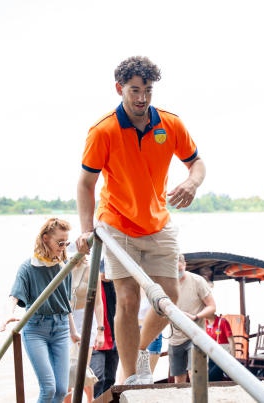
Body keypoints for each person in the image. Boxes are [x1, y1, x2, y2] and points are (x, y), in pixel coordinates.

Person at [75, 55, 206, 385]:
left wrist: (191, 182)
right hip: (116, 224)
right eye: (134, 90)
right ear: (120, 89)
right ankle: (132, 376)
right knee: (129, 299)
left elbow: (197, 163)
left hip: (158, 222)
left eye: (147, 90)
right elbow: (86, 184)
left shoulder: (170, 124)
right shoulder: (103, 130)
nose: (142, 98)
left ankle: (141, 353)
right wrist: (87, 231)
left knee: (170, 296)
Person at [0, 217, 80, 403]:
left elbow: (65, 303)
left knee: (61, 390)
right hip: (36, 329)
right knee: (49, 388)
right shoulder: (28, 267)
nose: (63, 246)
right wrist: (8, 314)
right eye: (60, 242)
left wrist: (74, 332)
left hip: (61, 329)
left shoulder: (63, 266)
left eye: (66, 242)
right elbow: (14, 296)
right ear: (45, 238)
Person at [168, 254, 216, 383]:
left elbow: (212, 307)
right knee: (179, 381)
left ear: (184, 265)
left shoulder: (197, 281)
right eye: (173, 270)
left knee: (196, 375)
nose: (176, 273)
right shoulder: (166, 282)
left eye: (179, 269)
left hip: (195, 335)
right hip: (175, 338)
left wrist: (196, 316)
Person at [63, 254, 105, 403]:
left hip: (85, 320)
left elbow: (98, 303)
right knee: (65, 368)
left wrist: (101, 331)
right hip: (66, 319)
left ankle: (89, 400)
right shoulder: (62, 267)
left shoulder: (91, 269)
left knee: (82, 368)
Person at [89, 260, 119, 398]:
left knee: (111, 380)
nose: (107, 275)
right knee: (97, 377)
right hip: (97, 338)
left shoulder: (116, 285)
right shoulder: (93, 286)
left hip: (114, 337)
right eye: (104, 272)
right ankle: (95, 400)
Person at [205, 314, 234, 381]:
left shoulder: (222, 322)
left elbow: (231, 341)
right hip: (211, 355)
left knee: (210, 377)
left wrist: (233, 358)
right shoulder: (204, 323)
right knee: (216, 378)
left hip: (223, 355)